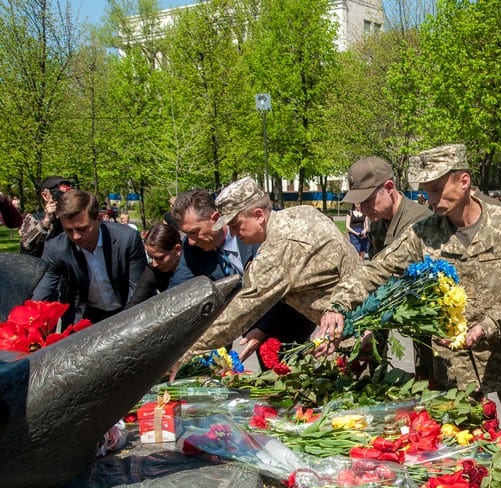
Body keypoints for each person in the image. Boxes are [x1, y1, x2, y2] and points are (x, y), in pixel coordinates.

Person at [318, 144, 501, 431]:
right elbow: (377, 269)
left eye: (437, 188)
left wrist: (487, 325)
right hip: (458, 370)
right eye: (426, 190)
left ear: (464, 181)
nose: (430, 198)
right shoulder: (424, 233)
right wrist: (337, 306)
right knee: (464, 455)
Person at [184, 177, 359, 358]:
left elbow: (241, 311)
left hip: (351, 333)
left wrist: (186, 353)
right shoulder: (302, 213)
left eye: (236, 225)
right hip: (354, 319)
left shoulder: (279, 247)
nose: (234, 233)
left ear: (259, 216)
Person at [342, 156, 433, 379]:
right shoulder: (378, 223)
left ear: (389, 188)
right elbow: (377, 282)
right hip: (394, 313)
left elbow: (399, 283)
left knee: (431, 381)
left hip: (430, 322)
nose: (361, 210)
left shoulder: (419, 222)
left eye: (367, 200)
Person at [31, 189, 146, 325]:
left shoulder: (127, 239)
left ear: (99, 219)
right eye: (68, 230)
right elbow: (41, 296)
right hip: (83, 319)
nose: (76, 236)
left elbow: (139, 289)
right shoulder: (56, 249)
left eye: (82, 228)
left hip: (126, 311)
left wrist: (126, 324)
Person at [126, 223, 192, 307]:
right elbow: (133, 306)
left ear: (177, 250)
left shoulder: (194, 266)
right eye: (150, 257)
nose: (154, 263)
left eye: (160, 258)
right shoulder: (152, 271)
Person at [19, 176, 74, 256]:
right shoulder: (34, 219)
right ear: (45, 196)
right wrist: (46, 221)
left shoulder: (74, 216)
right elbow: (26, 247)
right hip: (43, 265)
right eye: (59, 194)